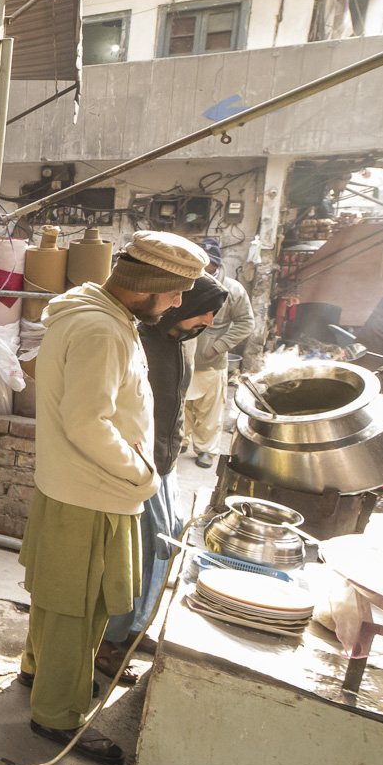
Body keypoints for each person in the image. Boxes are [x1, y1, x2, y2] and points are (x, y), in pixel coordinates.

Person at [22, 231, 206, 765]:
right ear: (148, 285)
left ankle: (38, 671)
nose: (178, 303)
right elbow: (86, 422)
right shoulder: (102, 329)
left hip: (77, 488)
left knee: (60, 602)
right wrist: (141, 473)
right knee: (79, 611)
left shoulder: (97, 314)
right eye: (174, 292)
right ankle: (57, 715)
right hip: (95, 493)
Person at [95, 273, 226, 680]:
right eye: (201, 314)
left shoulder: (177, 346)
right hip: (140, 464)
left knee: (165, 544)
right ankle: (109, 640)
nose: (204, 322)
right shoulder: (140, 343)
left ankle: (135, 629)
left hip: (164, 463)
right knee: (139, 552)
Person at [182, 237, 254, 467]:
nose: (204, 269)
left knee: (209, 409)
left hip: (211, 362)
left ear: (217, 264)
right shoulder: (185, 284)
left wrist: (218, 346)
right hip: (183, 358)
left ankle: (206, 450)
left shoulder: (233, 290)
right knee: (181, 403)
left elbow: (246, 323)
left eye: (208, 264)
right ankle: (181, 438)